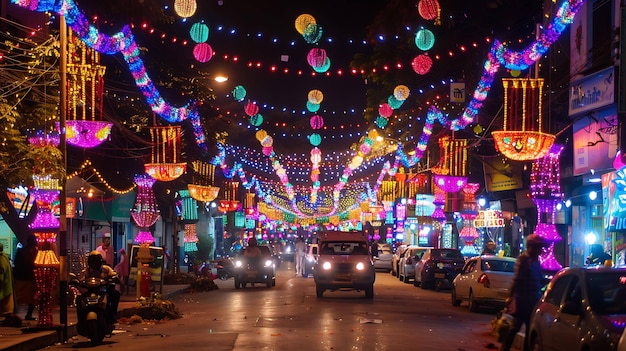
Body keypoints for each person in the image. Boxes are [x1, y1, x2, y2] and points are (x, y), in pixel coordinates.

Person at [499, 233, 548, 351]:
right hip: (523, 302)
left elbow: (539, 280)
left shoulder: (536, 262)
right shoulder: (523, 260)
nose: (540, 250)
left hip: (533, 301)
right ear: (531, 247)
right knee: (515, 328)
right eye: (538, 247)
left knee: (528, 331)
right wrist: (510, 298)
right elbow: (517, 281)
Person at [80, 251, 120, 324]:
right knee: (79, 299)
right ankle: (81, 320)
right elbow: (82, 279)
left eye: (96, 260)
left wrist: (113, 278)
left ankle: (112, 316)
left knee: (115, 294)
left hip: (103, 291)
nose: (95, 262)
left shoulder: (106, 269)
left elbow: (114, 274)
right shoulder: (86, 271)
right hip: (90, 292)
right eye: (93, 260)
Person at [13, 235, 38, 321]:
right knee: (31, 298)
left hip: (22, 277)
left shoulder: (22, 251)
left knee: (20, 297)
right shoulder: (33, 251)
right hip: (29, 277)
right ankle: (28, 314)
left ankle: (14, 314)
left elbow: (16, 263)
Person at [0, 243, 15, 325]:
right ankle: (8, 318)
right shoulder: (5, 257)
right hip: (7, 285)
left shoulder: (1, 259)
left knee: (4, 303)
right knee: (7, 304)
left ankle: (8, 318)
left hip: (4, 285)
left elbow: (1, 272)